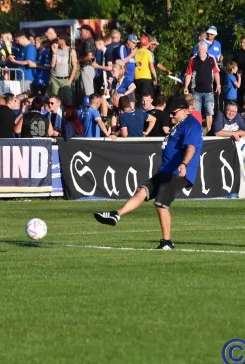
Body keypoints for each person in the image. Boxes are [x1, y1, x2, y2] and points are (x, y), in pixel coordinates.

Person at [93, 95, 203, 250]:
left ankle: (166, 242)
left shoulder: (191, 124)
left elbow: (191, 147)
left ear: (185, 110)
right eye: (169, 113)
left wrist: (184, 164)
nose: (170, 115)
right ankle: (116, 215)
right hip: (166, 171)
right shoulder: (179, 124)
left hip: (178, 172)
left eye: (173, 113)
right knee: (142, 190)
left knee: (161, 203)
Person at [183, 41, 221, 132]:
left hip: (209, 90)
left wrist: (218, 85)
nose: (201, 51)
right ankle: (197, 131)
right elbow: (189, 74)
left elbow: (216, 73)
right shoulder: (193, 59)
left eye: (203, 49)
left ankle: (209, 130)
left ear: (206, 50)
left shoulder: (212, 59)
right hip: (196, 90)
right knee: (196, 112)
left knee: (209, 112)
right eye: (199, 49)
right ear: (197, 50)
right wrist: (185, 87)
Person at [50, 34, 77, 105]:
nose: (56, 41)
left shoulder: (71, 50)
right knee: (54, 100)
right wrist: (54, 53)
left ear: (63, 40)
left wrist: (70, 80)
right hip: (55, 78)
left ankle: (67, 114)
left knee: (68, 100)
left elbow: (75, 66)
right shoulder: (56, 49)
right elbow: (52, 65)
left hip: (65, 78)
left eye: (58, 39)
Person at [134, 36, 157, 100]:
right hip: (146, 78)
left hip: (136, 78)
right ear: (148, 43)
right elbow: (151, 67)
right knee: (148, 98)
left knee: (139, 99)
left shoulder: (135, 52)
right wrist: (155, 78)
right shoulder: (148, 53)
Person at [78, 25, 97, 97]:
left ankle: (90, 106)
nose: (80, 33)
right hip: (89, 68)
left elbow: (89, 56)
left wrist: (79, 60)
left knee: (88, 91)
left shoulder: (88, 41)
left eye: (81, 31)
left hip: (87, 67)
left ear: (87, 32)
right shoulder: (90, 40)